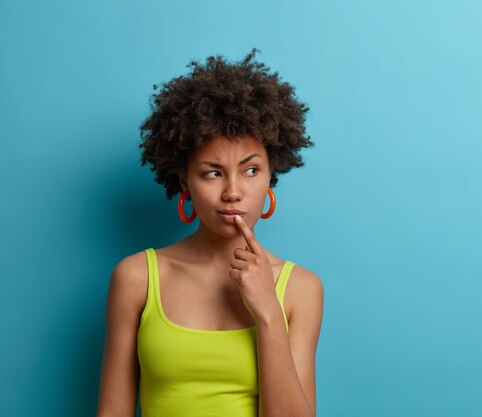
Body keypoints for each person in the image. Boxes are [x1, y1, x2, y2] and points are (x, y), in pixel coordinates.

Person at [96, 48, 324, 417]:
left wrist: (268, 310)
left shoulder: (300, 289)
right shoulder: (136, 277)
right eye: (212, 173)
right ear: (184, 180)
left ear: (271, 177)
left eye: (251, 171)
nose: (233, 191)